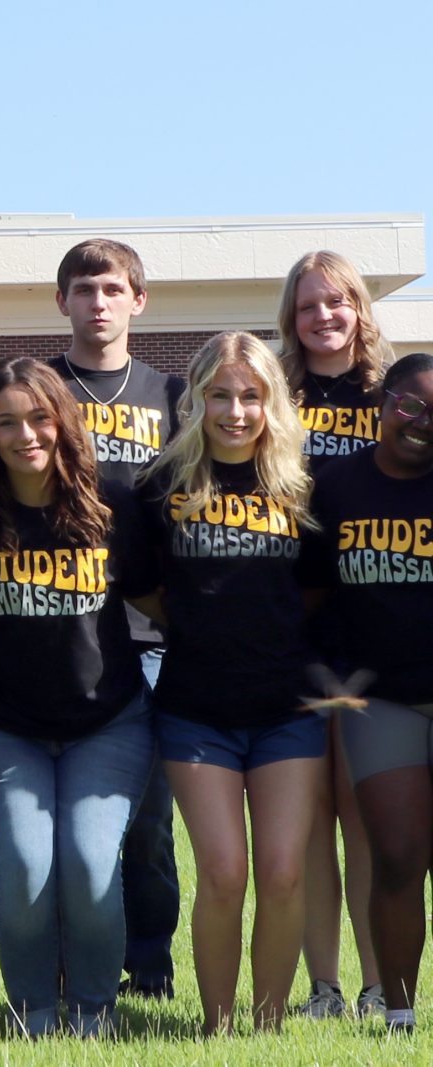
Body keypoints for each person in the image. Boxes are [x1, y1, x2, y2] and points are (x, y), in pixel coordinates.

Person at [0, 358, 157, 1037]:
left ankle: (93, 1010)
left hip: (108, 721)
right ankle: (33, 1012)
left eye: (38, 417)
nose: (25, 434)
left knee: (89, 864)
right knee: (28, 867)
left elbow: (157, 601)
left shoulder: (114, 506)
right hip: (0, 726)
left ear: (63, 421)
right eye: (6, 422)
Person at [139, 331, 322, 1034]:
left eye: (251, 395)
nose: (236, 411)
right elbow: (144, 586)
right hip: (196, 710)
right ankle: (218, 1028)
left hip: (287, 711)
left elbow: (314, 591)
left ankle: (267, 1028)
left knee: (282, 871)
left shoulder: (300, 487)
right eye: (221, 395)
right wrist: (197, 622)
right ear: (197, 399)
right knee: (222, 871)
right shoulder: (162, 486)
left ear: (272, 401)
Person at [47, 239, 185, 998]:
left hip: (151, 634)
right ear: (61, 301)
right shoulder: (40, 388)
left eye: (111, 289)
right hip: (61, 630)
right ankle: (68, 966)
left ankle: (150, 965)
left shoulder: (170, 394)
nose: (97, 303)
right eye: (83, 289)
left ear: (138, 300)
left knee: (149, 820)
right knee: (69, 821)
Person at [276, 250, 394, 1019]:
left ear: (359, 308)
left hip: (374, 628)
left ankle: (380, 982)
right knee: (311, 814)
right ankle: (323, 987)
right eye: (308, 305)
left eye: (337, 301)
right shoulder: (273, 396)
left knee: (365, 811)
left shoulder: (391, 398)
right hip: (291, 625)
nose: (324, 316)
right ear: (291, 318)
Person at [304, 351, 433, 1035]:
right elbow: (309, 592)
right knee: (399, 853)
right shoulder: (337, 486)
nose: (422, 421)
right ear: (383, 403)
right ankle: (399, 1011)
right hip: (381, 698)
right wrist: (323, 669)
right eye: (410, 404)